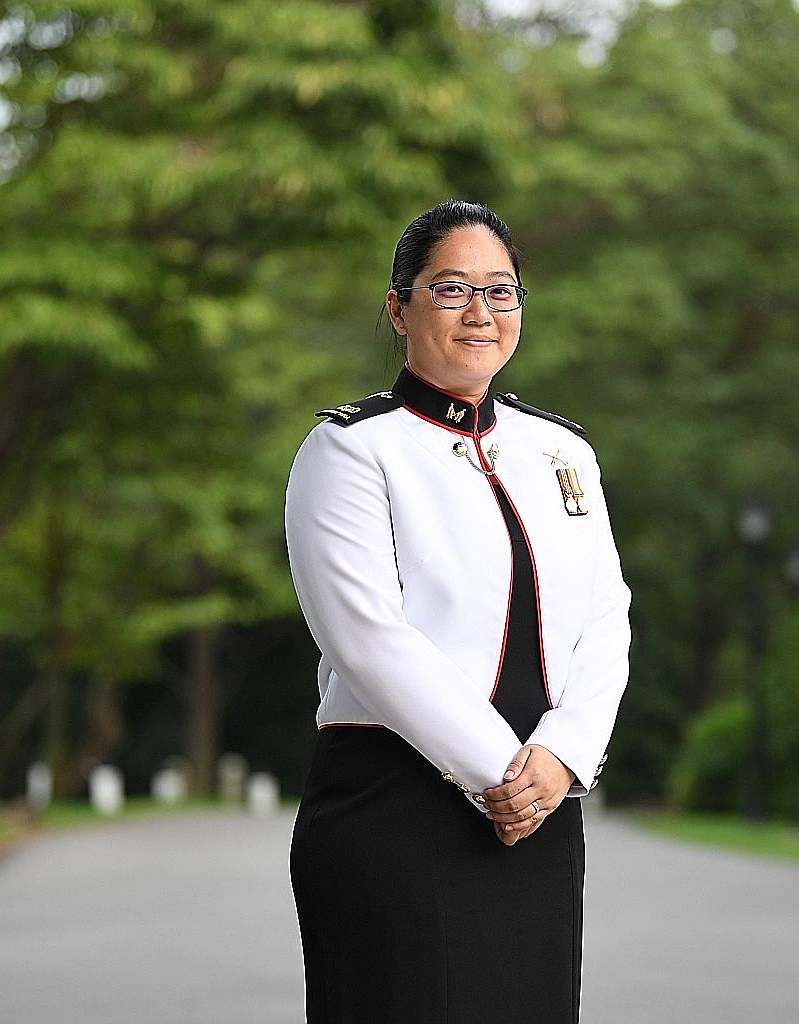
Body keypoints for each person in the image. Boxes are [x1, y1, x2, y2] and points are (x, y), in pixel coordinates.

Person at [284, 199, 631, 1023]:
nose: (482, 312)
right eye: (451, 289)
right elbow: (370, 641)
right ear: (398, 308)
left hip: (541, 814)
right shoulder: (349, 449)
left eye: (502, 290)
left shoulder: (563, 453)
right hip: (395, 812)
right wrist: (500, 776)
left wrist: (561, 761)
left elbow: (606, 621)